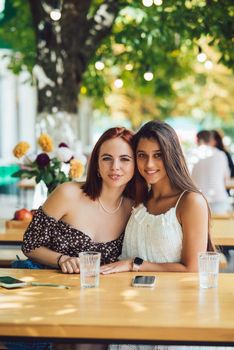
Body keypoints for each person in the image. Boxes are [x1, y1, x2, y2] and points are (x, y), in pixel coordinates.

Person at [100, 120, 231, 350]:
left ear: (172, 155)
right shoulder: (138, 199)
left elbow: (192, 268)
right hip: (132, 310)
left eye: (158, 155)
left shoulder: (190, 201)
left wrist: (135, 264)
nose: (149, 164)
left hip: (175, 314)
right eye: (141, 155)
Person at [21, 126, 135, 272]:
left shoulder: (134, 208)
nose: (115, 167)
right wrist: (61, 259)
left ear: (135, 165)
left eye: (125, 159)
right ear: (96, 164)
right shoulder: (67, 193)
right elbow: (29, 244)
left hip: (101, 290)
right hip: (49, 286)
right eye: (107, 158)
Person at [191, 130, 231, 214]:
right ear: (211, 140)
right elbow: (226, 178)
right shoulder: (221, 154)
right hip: (219, 199)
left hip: (197, 201)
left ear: (197, 140)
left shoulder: (191, 154)